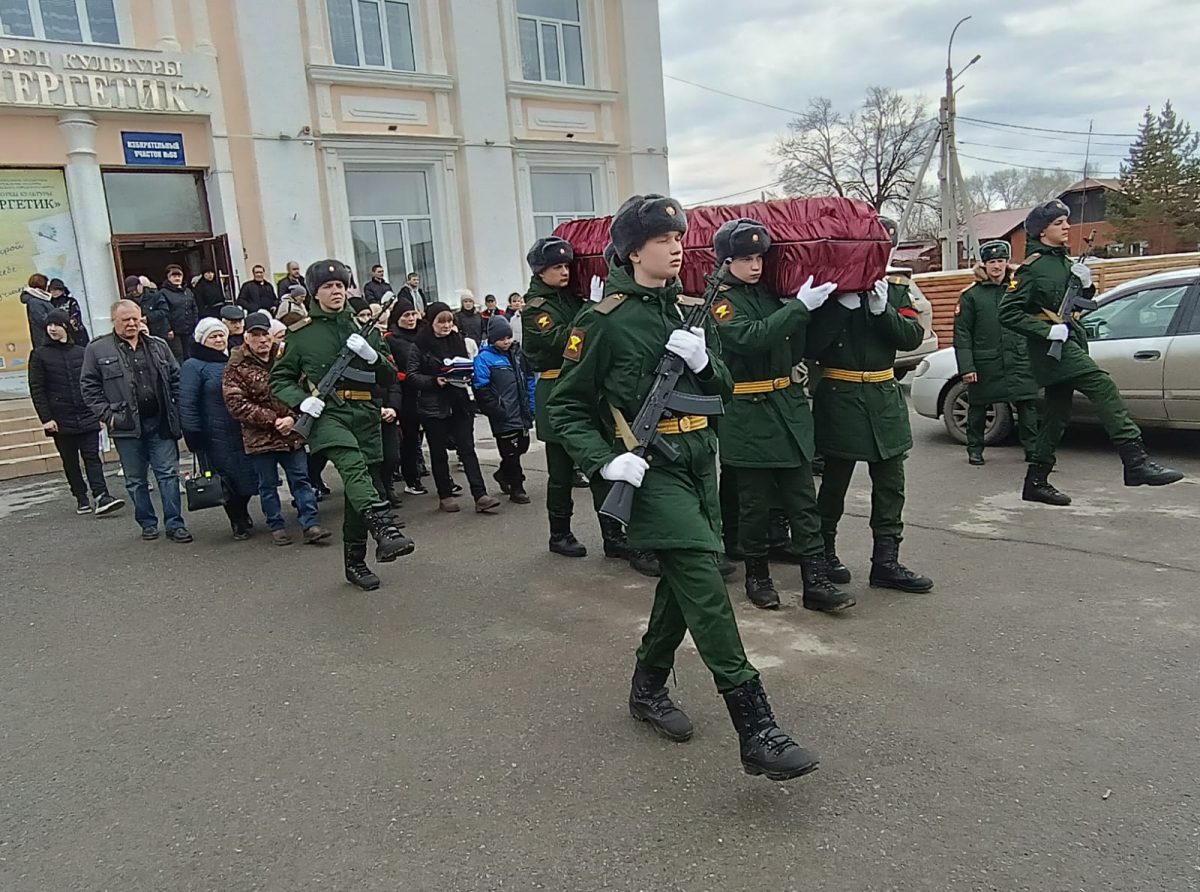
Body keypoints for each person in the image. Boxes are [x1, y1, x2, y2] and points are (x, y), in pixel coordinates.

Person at [547, 193, 818, 782]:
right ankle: (756, 727)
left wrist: (700, 362)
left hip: (699, 460)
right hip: (648, 468)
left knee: (682, 582)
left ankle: (647, 687)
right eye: (663, 240)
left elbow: (720, 390)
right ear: (631, 249)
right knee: (704, 580)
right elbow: (564, 407)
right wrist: (604, 462)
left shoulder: (686, 312)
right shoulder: (603, 321)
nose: (676, 247)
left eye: (679, 238)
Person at [710, 218, 854, 613]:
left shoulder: (772, 293)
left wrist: (836, 308)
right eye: (745, 258)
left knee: (802, 500)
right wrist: (798, 308)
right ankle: (758, 575)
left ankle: (815, 581)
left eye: (759, 257)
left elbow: (801, 343)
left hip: (787, 407)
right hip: (748, 412)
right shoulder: (720, 301)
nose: (755, 265)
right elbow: (750, 338)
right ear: (725, 261)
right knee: (755, 504)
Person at [998, 201, 1183, 503]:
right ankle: (1135, 461)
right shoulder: (1032, 268)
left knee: (1057, 415)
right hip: (1050, 349)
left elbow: (1077, 302)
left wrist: (1086, 286)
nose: (1067, 227)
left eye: (1066, 221)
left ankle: (1036, 481)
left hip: (1070, 341)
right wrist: (1047, 331)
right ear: (1042, 231)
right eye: (1059, 223)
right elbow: (1007, 313)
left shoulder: (1063, 261)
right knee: (1102, 385)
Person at [271, 259, 414, 591]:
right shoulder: (302, 334)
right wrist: (302, 400)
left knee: (356, 487)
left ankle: (355, 562)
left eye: (340, 286)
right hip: (328, 414)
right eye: (327, 287)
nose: (335, 291)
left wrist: (370, 355)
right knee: (351, 464)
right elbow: (279, 378)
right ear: (314, 292)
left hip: (365, 412)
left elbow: (390, 375)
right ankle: (384, 527)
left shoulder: (362, 328)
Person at [808, 217, 932, 594]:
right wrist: (839, 307)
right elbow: (809, 345)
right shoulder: (830, 289)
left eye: (884, 246)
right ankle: (823, 553)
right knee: (833, 484)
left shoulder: (894, 289)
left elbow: (912, 337)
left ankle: (886, 562)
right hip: (841, 397)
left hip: (882, 397)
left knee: (891, 483)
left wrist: (883, 312)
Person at [520, 236, 652, 572]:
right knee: (562, 472)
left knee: (598, 466)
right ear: (540, 271)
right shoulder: (537, 308)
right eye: (556, 267)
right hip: (554, 389)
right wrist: (590, 309)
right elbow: (563, 341)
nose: (564, 272)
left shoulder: (567, 298)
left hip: (584, 389)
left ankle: (613, 535)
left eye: (566, 266)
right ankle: (559, 533)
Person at [80, 299, 192, 543]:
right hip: (126, 426)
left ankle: (175, 524)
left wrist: (176, 410)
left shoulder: (159, 345)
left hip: (160, 422)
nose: (132, 324)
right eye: (125, 320)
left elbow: (176, 378)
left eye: (136, 319)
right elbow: (88, 387)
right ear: (114, 321)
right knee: (135, 480)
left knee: (168, 475)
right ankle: (148, 523)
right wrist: (108, 416)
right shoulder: (98, 349)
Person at [223, 311, 331, 545]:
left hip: (292, 433)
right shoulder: (236, 367)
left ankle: (310, 524)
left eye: (266, 334)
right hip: (259, 437)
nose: (262, 340)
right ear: (246, 338)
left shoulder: (286, 357)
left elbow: (306, 389)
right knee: (268, 484)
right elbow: (236, 404)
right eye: (256, 335)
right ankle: (276, 525)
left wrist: (293, 418)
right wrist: (273, 420)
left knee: (301, 479)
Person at [406, 302, 501, 514]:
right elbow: (411, 375)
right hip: (433, 406)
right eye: (442, 321)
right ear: (431, 322)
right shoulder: (420, 344)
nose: (447, 325)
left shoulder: (457, 340)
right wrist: (434, 381)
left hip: (459, 402)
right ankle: (445, 495)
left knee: (467, 449)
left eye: (450, 320)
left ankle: (480, 494)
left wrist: (466, 373)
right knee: (438, 452)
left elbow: (466, 364)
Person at [953, 240, 1042, 467]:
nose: (997, 266)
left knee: (1027, 406)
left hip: (1020, 358)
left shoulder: (1018, 289)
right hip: (986, 361)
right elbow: (962, 333)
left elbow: (1035, 320)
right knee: (978, 407)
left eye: (1001, 261)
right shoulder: (972, 295)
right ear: (984, 265)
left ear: (1007, 263)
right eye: (992, 262)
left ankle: (1032, 450)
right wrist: (967, 367)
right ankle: (975, 449)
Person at [28, 309, 124, 516]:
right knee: (70, 460)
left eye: (57, 324)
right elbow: (37, 389)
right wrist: (46, 418)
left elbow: (94, 384)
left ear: (66, 327)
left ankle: (101, 495)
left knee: (92, 457)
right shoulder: (39, 355)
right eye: (49, 325)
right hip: (60, 418)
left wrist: (100, 412)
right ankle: (80, 496)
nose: (53, 329)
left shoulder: (81, 352)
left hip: (87, 414)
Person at [180, 318, 263, 540]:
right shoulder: (193, 366)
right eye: (213, 336)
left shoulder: (232, 360)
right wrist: (193, 433)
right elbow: (187, 402)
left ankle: (242, 512)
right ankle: (238, 520)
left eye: (221, 335)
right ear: (202, 340)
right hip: (213, 433)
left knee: (246, 475)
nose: (218, 339)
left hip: (240, 429)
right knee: (226, 479)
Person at [473, 314, 535, 503]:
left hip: (521, 410)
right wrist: (495, 409)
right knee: (511, 452)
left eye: (508, 337)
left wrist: (532, 405)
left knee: (522, 446)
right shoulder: (484, 358)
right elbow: (480, 388)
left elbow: (529, 378)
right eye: (501, 339)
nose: (506, 342)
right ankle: (517, 487)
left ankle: (503, 473)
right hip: (502, 412)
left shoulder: (518, 354)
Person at [385, 296, 428, 496]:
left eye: (413, 314)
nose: (411, 319)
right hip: (405, 391)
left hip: (427, 389)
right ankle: (411, 478)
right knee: (410, 438)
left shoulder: (423, 333)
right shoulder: (391, 338)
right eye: (406, 315)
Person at [160, 264, 199, 363]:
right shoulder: (163, 293)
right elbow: (163, 312)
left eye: (179, 276)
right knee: (178, 355)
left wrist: (195, 323)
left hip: (189, 329)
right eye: (174, 276)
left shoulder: (188, 291)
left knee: (190, 353)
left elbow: (194, 308)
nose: (177, 278)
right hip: (174, 331)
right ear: (168, 278)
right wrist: (168, 329)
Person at [47, 278, 89, 346]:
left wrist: (68, 328)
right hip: (58, 334)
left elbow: (76, 318)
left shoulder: (71, 301)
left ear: (62, 290)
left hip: (75, 333)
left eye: (56, 289)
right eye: (51, 290)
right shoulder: (49, 303)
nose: (53, 292)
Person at [21, 274, 56, 350]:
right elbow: (42, 320)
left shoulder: (41, 298)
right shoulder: (35, 301)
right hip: (44, 340)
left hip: (49, 337)